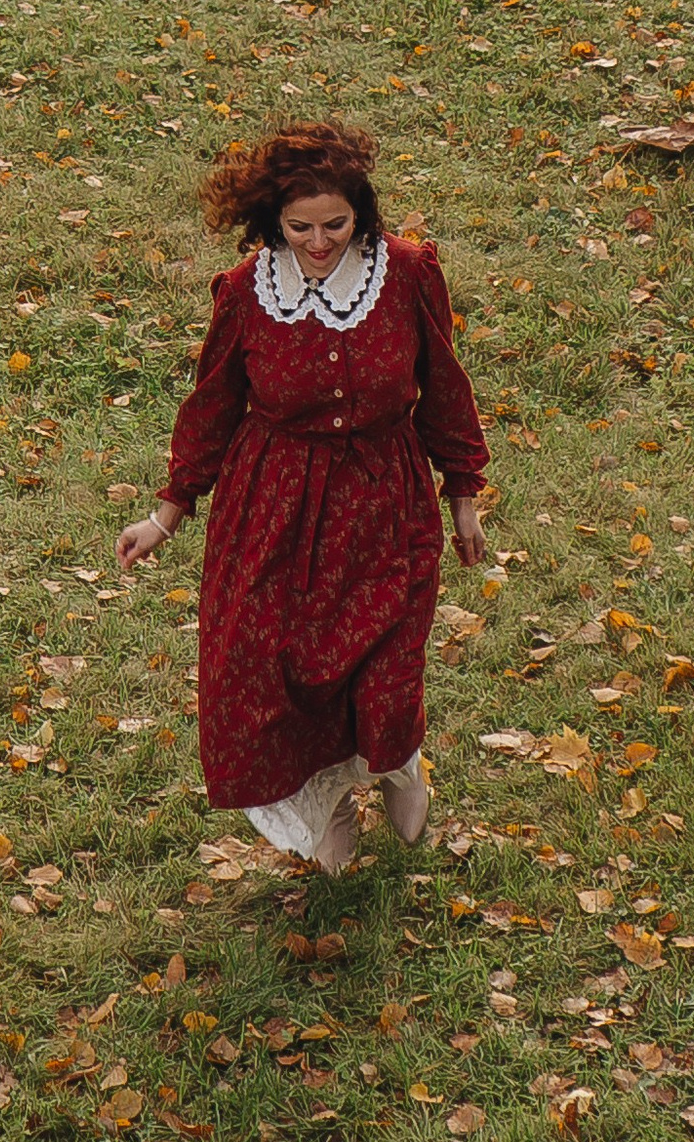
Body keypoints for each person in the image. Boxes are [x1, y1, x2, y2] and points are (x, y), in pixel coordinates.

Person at [115, 122, 489, 876]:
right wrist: (167, 513)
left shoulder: (409, 274)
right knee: (275, 676)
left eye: (336, 224)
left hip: (384, 507)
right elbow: (212, 409)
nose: (319, 243)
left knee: (383, 674)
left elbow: (445, 391)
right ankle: (326, 804)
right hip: (274, 511)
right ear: (273, 224)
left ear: (363, 212)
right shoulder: (250, 293)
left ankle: (398, 766)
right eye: (301, 228)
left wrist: (464, 497)